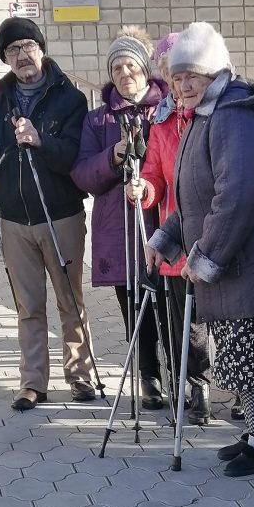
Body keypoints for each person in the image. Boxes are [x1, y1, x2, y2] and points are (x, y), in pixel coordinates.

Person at [143, 22, 254, 476]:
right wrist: (166, 239)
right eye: (177, 78)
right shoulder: (204, 118)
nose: (184, 85)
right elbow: (195, 198)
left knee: (252, 357)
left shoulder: (233, 116)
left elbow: (236, 196)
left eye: (193, 75)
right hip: (241, 264)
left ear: (217, 73)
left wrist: (206, 257)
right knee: (246, 359)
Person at [0, 17, 94, 408]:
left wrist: (41, 141)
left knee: (70, 298)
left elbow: (74, 156)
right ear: (5, 58)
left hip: (60, 213)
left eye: (27, 46)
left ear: (41, 48)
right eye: (12, 50)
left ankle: (81, 375)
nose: (22, 56)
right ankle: (33, 382)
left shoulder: (70, 97)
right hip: (16, 217)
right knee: (28, 305)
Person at [71, 27, 169, 409]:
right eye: (117, 69)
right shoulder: (98, 120)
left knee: (171, 305)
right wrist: (114, 155)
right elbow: (82, 175)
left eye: (131, 65)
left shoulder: (165, 109)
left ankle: (183, 373)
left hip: (161, 222)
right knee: (133, 307)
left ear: (144, 68)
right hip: (118, 227)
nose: (125, 74)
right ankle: (149, 377)